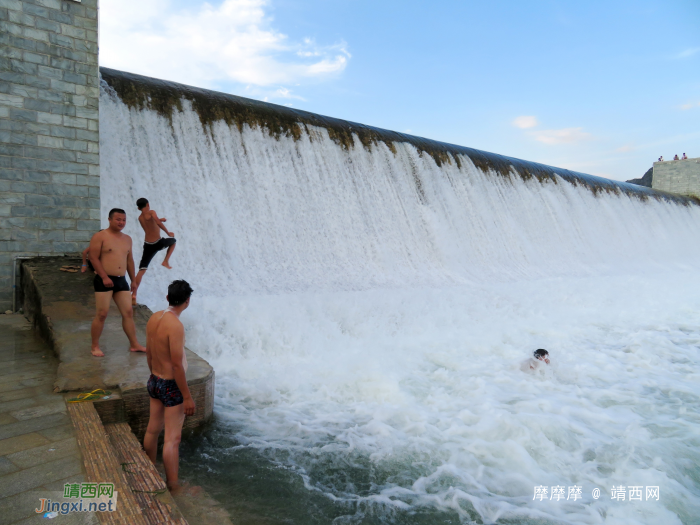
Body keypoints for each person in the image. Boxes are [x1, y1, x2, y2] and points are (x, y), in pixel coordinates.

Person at [143, 280, 196, 493]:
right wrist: (187, 396)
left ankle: (148, 472)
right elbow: (176, 364)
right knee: (172, 439)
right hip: (171, 385)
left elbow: (149, 351)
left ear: (167, 298)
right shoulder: (176, 326)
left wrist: (153, 375)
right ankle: (173, 485)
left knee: (152, 429)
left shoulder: (155, 317)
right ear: (187, 301)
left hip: (154, 380)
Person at [88, 209, 146, 357]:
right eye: (118, 219)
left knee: (128, 312)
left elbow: (129, 260)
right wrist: (104, 277)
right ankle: (95, 346)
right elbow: (93, 258)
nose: (121, 222)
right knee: (102, 314)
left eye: (124, 220)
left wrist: (133, 280)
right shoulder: (100, 236)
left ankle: (134, 344)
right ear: (109, 219)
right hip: (104, 279)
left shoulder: (127, 239)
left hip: (121, 280)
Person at [132, 198, 177, 305]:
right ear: (148, 204)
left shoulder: (140, 218)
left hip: (147, 245)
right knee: (173, 241)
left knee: (142, 270)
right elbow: (156, 222)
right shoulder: (152, 212)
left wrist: (160, 219)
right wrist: (168, 233)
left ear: (138, 208)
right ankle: (165, 261)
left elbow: (150, 223)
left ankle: (133, 294)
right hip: (157, 243)